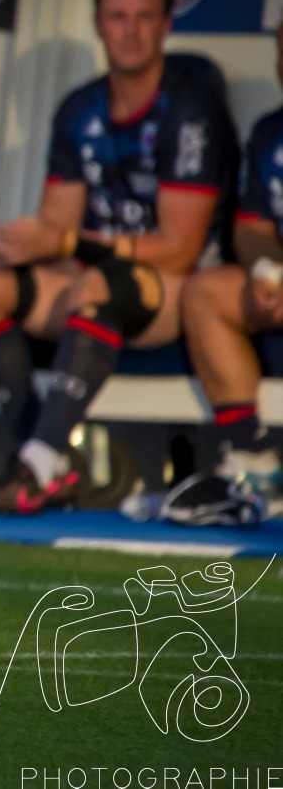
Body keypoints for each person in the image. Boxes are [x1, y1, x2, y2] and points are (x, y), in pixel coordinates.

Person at [0, 0, 238, 515]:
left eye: (145, 17)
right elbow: (59, 223)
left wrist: (74, 242)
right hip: (95, 279)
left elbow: (180, 246)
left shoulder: (191, 109)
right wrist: (33, 243)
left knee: (97, 281)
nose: (130, 30)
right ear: (99, 25)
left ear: (167, 25)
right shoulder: (80, 109)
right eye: (118, 17)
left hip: (178, 291)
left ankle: (33, 468)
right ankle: (47, 457)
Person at [174, 26, 283, 519]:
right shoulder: (269, 132)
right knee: (205, 292)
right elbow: (253, 226)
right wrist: (266, 269)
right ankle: (255, 464)